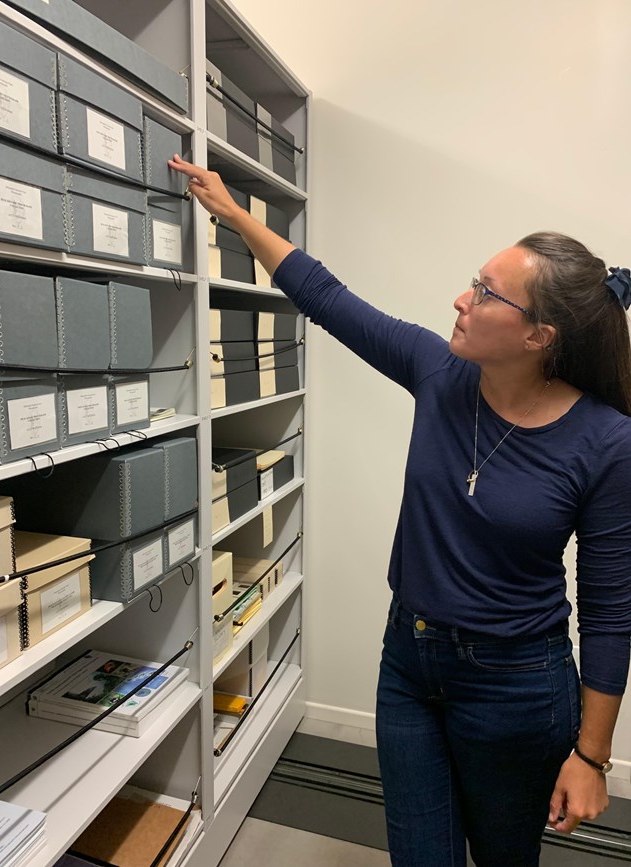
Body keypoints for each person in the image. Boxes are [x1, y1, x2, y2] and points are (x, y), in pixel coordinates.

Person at [169, 155, 631, 867]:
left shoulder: (606, 440)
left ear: (540, 336)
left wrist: (592, 758)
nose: (460, 299)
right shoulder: (439, 372)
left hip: (517, 685)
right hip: (409, 663)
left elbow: (610, 609)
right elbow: (326, 296)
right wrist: (234, 215)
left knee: (505, 857)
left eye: (484, 292)